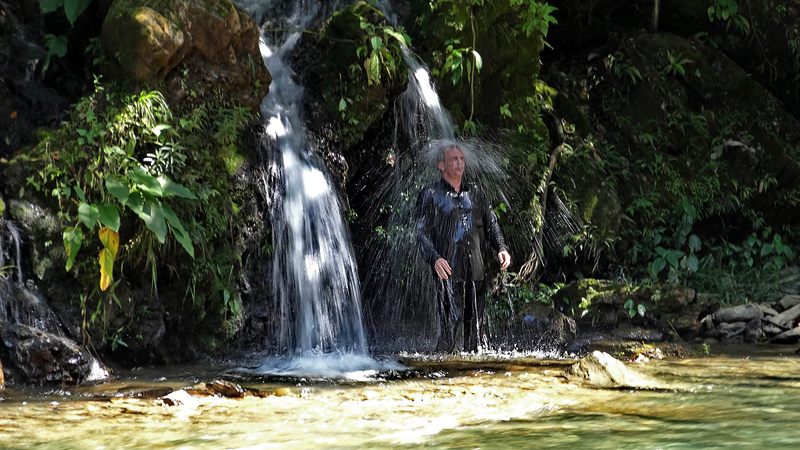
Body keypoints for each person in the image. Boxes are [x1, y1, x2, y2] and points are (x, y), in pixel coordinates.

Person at [415, 142, 511, 352]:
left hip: (476, 268)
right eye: (454, 159)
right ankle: (441, 372)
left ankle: (472, 375)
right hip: (448, 270)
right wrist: (435, 258)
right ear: (441, 165)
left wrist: (501, 248)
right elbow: (421, 233)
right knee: (452, 324)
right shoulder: (431, 194)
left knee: (476, 328)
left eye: (461, 159)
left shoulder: (475, 192)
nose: (459, 163)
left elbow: (491, 224)